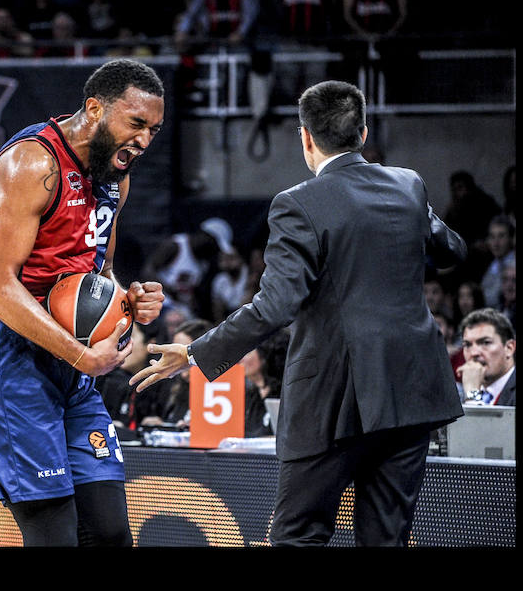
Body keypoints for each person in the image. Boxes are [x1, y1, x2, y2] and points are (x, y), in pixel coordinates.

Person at [131, 80, 467, 547]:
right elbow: (453, 250)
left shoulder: (298, 203)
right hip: (410, 390)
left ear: (305, 137)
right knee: (387, 538)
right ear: (363, 133)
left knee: (298, 536)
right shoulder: (409, 186)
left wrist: (194, 353)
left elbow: (275, 306)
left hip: (333, 397)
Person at [0, 58, 166, 547]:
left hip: (67, 358)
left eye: (153, 129)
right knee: (53, 536)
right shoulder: (33, 162)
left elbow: (99, 276)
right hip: (3, 352)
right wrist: (82, 354)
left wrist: (128, 302)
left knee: (110, 533)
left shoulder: (116, 177)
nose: (145, 140)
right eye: (136, 124)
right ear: (94, 108)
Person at [96, 321, 172, 438]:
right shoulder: (109, 380)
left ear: (152, 345)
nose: (122, 343)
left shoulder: (170, 385)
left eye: (130, 336)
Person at [456, 308, 516, 406]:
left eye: (486, 342)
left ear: (509, 348)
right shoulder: (458, 395)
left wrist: (472, 394)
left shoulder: (470, 391)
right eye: (467, 345)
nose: (474, 353)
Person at [480, 214, 515, 309]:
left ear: (511, 239)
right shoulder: (490, 265)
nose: (496, 242)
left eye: (501, 236)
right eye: (492, 236)